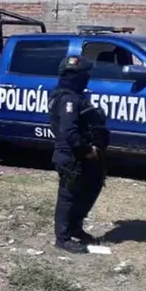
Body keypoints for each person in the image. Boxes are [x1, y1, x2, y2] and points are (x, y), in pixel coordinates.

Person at [47, 55, 109, 254]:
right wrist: (87, 150)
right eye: (84, 75)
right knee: (69, 196)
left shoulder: (74, 96)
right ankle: (63, 237)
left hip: (84, 156)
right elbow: (69, 132)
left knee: (89, 190)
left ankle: (75, 228)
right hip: (72, 156)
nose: (87, 78)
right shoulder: (67, 99)